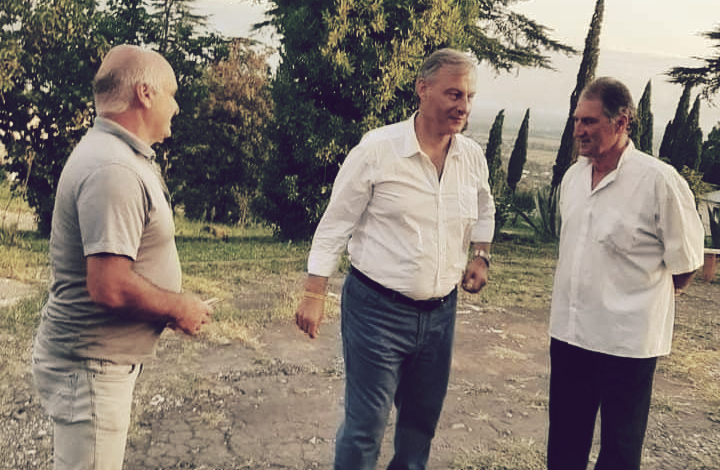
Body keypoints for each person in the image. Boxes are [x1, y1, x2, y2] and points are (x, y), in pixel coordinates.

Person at [295, 48, 495, 470]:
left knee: (420, 428)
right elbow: (335, 224)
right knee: (365, 427)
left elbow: (485, 209)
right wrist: (314, 293)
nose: (463, 106)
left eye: (469, 97)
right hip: (376, 312)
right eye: (454, 94)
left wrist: (481, 256)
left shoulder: (471, 157)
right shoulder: (378, 150)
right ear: (423, 89)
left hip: (441, 315)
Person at [31, 45, 212, 470]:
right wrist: (178, 307)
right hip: (91, 368)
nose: (176, 107)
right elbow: (109, 285)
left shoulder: (117, 155)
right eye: (171, 94)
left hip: (94, 364)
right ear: (145, 93)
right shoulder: (114, 169)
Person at [547, 77, 705, 470]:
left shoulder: (658, 181)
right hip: (570, 334)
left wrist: (640, 299)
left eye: (590, 121)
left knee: (619, 451)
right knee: (564, 445)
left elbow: (686, 264)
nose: (579, 130)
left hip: (627, 344)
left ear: (622, 122)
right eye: (577, 120)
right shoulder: (573, 178)